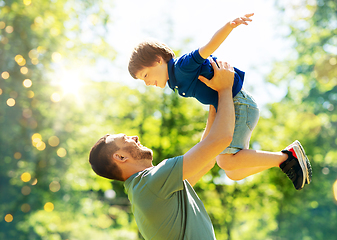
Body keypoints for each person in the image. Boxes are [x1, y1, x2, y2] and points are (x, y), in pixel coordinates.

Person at [89, 60, 311, 239]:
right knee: (229, 165)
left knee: (230, 168)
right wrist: (224, 90)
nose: (134, 137)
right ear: (120, 156)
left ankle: (285, 158)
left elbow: (206, 160)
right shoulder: (150, 183)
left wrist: (214, 102)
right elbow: (221, 139)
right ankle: (286, 157)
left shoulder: (149, 190)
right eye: (126, 139)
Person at [127, 14, 312, 190]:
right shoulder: (174, 82)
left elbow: (208, 47)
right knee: (234, 173)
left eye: (146, 75)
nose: (147, 82)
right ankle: (285, 159)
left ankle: (287, 158)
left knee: (225, 161)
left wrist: (230, 25)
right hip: (230, 107)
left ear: (159, 60)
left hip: (239, 104)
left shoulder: (182, 66)